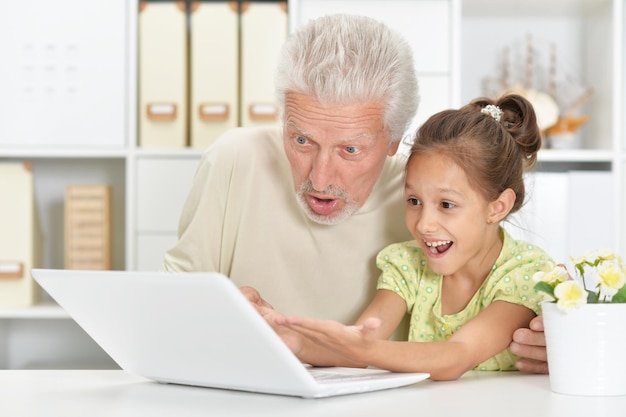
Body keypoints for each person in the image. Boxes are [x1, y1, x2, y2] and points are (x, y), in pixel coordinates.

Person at [161, 13, 549, 373]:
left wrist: (562, 330)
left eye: (350, 149)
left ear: (395, 142)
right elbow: (168, 316)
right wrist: (273, 332)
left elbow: (478, 327)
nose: (319, 176)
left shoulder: (429, 185)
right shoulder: (234, 160)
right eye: (301, 140)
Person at [269, 94, 555, 381]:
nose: (424, 225)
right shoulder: (407, 264)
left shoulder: (527, 274)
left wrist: (366, 351)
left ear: (498, 207)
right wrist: (288, 339)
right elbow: (352, 348)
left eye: (446, 205)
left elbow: (457, 356)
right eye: (414, 201)